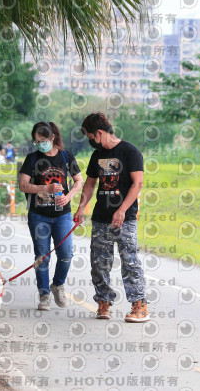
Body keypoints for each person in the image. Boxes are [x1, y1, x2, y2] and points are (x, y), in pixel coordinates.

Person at [73, 113, 149, 323]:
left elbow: (137, 184)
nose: (90, 141)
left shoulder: (129, 151)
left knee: (129, 261)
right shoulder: (97, 155)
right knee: (99, 263)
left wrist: (123, 210)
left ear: (99, 133)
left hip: (125, 219)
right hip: (101, 218)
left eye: (90, 136)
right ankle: (104, 302)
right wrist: (81, 208)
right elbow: (89, 184)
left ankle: (139, 305)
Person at [19, 122, 83, 310]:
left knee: (66, 254)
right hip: (38, 215)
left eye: (43, 140)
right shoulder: (31, 159)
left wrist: (69, 196)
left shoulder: (65, 156)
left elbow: (78, 180)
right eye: (37, 141)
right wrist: (44, 188)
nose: (40, 144)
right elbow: (23, 185)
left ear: (52, 138)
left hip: (62, 214)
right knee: (42, 256)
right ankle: (44, 294)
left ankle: (58, 284)